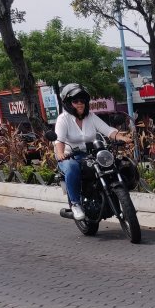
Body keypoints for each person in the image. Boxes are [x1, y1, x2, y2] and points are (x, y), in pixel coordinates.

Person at [54, 83, 131, 221]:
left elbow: (108, 130)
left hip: (90, 153)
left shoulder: (91, 116)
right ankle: (76, 204)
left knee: (113, 163)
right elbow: (59, 140)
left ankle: (118, 198)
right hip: (69, 156)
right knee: (72, 168)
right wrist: (60, 154)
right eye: (75, 101)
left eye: (82, 100)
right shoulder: (63, 119)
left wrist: (121, 137)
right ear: (68, 103)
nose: (80, 104)